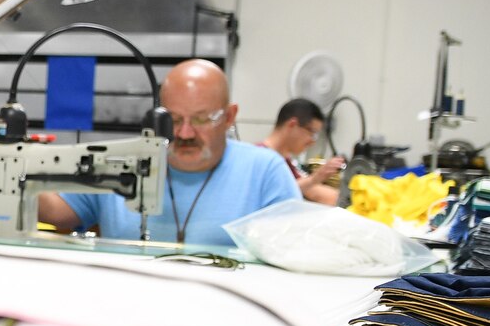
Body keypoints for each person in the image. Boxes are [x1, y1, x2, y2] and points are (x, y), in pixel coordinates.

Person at [36, 59, 297, 247]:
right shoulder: (125, 162)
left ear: (229, 117)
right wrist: (13, 168)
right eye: (172, 119)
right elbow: (58, 212)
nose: (184, 133)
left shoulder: (265, 172)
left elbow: (296, 250)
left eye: (201, 119)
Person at [261, 97, 344, 206]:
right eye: (312, 133)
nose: (312, 142)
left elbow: (312, 191)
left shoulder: (285, 161)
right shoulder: (261, 158)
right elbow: (280, 192)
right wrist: (315, 177)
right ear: (292, 125)